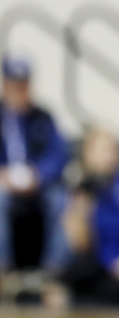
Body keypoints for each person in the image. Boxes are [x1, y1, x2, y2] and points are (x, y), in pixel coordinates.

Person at [59, 126, 119, 306]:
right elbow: (81, 244)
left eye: (112, 150)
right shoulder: (85, 188)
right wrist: (80, 208)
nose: (108, 157)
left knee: (116, 290)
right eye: (101, 151)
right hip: (97, 266)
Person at [0, 54, 70, 298]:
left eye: (24, 84)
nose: (19, 90)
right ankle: (3, 269)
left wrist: (37, 176)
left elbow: (58, 155)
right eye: (14, 84)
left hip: (37, 186)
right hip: (4, 185)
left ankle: (54, 271)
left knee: (60, 198)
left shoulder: (43, 117)